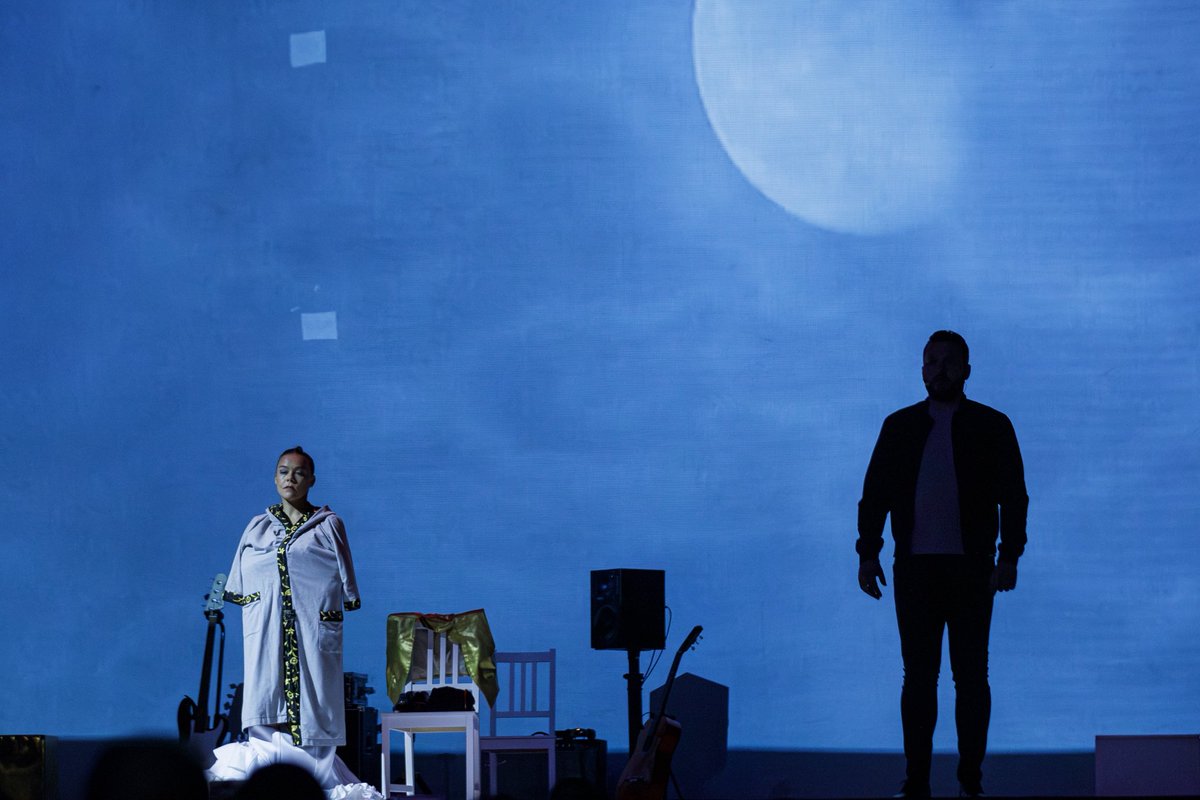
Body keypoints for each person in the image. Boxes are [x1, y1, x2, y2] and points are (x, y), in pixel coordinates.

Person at [856, 331, 1028, 799]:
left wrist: (1009, 555)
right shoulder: (899, 427)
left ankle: (970, 782)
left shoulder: (993, 426)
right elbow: (875, 495)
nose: (940, 370)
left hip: (973, 571)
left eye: (949, 362)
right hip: (914, 570)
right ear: (921, 369)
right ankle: (917, 783)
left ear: (967, 370)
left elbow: (1014, 496)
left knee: (970, 678)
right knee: (919, 679)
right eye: (931, 362)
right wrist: (867, 552)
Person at [215, 445, 364, 789]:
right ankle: (267, 780)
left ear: (311, 479)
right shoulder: (257, 528)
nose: (290, 478)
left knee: (316, 703)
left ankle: (312, 781)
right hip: (265, 627)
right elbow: (240, 577)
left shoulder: (328, 525)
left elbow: (343, 575)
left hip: (313, 627)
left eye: (298, 472)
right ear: (274, 477)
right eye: (283, 471)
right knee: (266, 695)